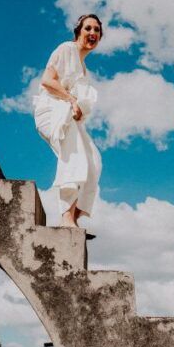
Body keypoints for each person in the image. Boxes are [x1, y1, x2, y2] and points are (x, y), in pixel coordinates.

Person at [34, 15, 104, 237]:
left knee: (94, 161)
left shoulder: (84, 69)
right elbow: (47, 80)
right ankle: (66, 218)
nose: (92, 33)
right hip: (50, 110)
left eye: (97, 30)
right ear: (78, 31)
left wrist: (78, 107)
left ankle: (75, 216)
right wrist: (72, 100)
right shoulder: (66, 49)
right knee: (75, 157)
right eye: (88, 28)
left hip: (68, 114)